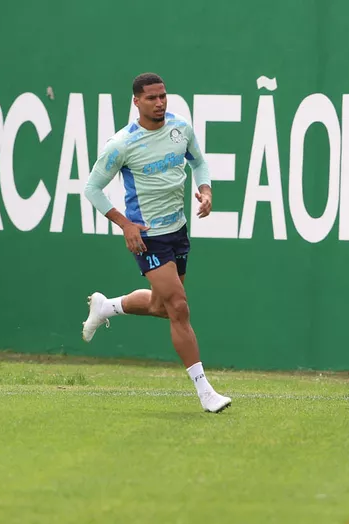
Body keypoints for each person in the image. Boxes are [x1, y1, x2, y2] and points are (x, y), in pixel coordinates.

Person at [80, 72, 232, 414]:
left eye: (163, 96)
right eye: (151, 98)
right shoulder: (121, 144)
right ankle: (205, 391)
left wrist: (206, 190)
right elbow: (91, 188)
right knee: (179, 307)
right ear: (136, 101)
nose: (160, 102)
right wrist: (125, 225)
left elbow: (200, 162)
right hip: (147, 237)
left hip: (178, 230)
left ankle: (107, 306)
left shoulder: (180, 128)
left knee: (162, 307)